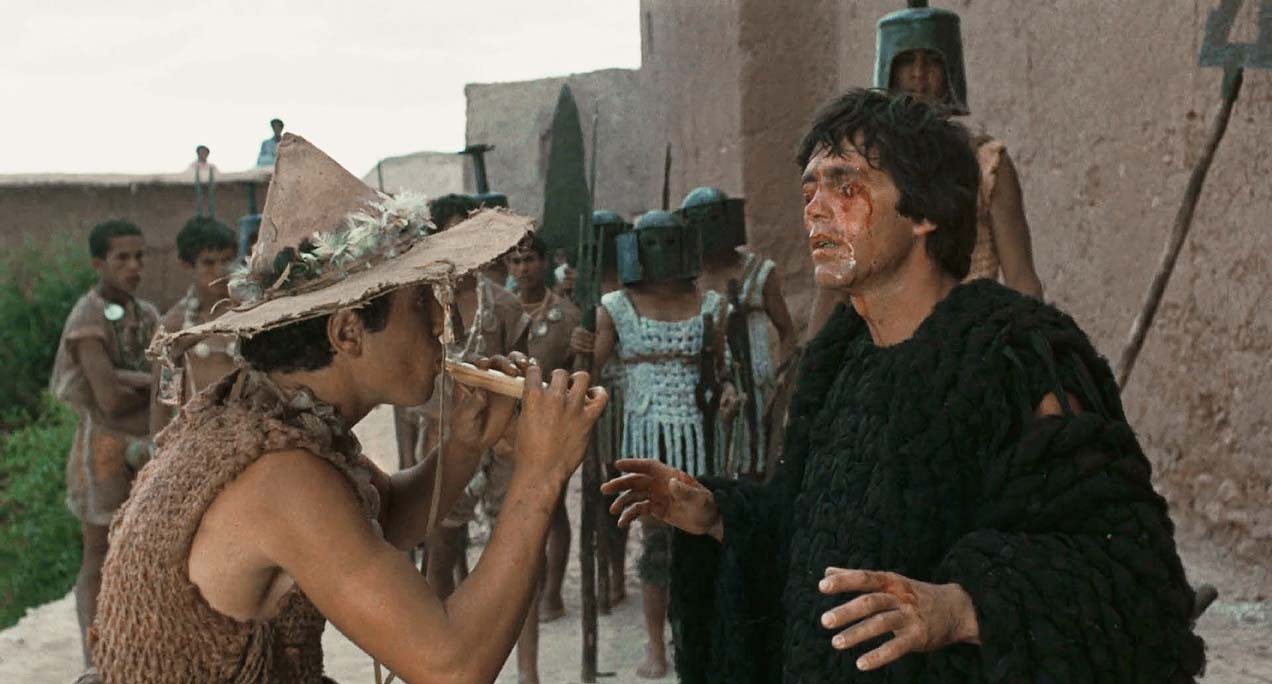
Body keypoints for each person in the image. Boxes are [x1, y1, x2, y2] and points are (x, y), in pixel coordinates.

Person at [603, 89, 1203, 683]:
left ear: (923, 213)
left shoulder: (1016, 358)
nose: (815, 210)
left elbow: (1127, 573)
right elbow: (804, 530)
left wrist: (961, 608)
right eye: (810, 191)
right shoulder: (838, 359)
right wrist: (716, 516)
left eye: (845, 186)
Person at [84, 134, 607, 682]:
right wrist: (541, 473)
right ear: (348, 331)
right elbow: (452, 668)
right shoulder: (282, 476)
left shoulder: (266, 415)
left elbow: (386, 520)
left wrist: (464, 445)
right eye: (421, 303)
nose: (443, 323)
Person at [806, 5, 1043, 341]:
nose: (919, 75)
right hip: (886, 341)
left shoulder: (987, 163)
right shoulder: (861, 170)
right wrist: (812, 364)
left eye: (931, 61)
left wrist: (1036, 351)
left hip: (970, 338)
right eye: (906, 61)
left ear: (949, 71)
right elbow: (834, 283)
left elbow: (1021, 279)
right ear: (889, 70)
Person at [586, 210, 734, 679]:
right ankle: (656, 646)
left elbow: (722, 367)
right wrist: (580, 349)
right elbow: (589, 373)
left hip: (699, 437)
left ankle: (695, 636)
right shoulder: (615, 307)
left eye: (670, 242)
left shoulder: (711, 304)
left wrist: (729, 390)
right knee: (655, 544)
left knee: (702, 536)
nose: (662, 253)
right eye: (652, 243)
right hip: (646, 436)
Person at [49, 219, 159, 665]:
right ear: (99, 263)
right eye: (122, 258)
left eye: (140, 257)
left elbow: (169, 379)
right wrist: (147, 382)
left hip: (145, 446)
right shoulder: (87, 317)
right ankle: (94, 660)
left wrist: (130, 379)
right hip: (103, 451)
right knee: (98, 553)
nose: (133, 267)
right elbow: (110, 401)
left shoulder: (146, 314)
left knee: (143, 551)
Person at [499, 234, 582, 683]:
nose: (522, 268)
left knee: (553, 508)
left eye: (529, 259)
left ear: (544, 262)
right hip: (506, 430)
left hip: (549, 425)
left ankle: (551, 592)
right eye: (514, 261)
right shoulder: (500, 310)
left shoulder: (567, 316)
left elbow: (579, 373)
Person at [680, 187, 796, 479]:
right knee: (708, 464)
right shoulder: (686, 279)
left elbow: (787, 332)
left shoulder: (759, 271)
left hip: (756, 384)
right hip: (704, 386)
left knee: (754, 462)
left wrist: (782, 378)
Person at [150, 216, 239, 434]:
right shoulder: (175, 325)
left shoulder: (251, 313)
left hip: (251, 430)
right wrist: (159, 446)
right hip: (199, 434)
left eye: (226, 260)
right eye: (208, 263)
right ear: (187, 266)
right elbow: (167, 396)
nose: (220, 271)